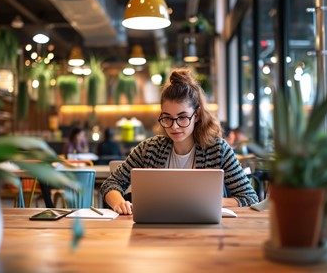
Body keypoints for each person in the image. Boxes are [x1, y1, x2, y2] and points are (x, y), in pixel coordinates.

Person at [100, 68, 259, 215]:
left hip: (206, 232)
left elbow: (250, 198)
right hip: (155, 230)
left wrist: (211, 203)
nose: (174, 126)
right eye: (167, 118)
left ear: (196, 115)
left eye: (182, 117)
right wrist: (119, 203)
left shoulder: (218, 150)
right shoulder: (149, 149)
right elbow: (111, 184)